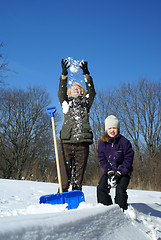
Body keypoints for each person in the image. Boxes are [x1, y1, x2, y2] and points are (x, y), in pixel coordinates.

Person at [58, 59, 96, 192]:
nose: (76, 88)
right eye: (73, 87)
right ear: (69, 92)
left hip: (83, 142)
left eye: (79, 88)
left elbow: (92, 93)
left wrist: (87, 75)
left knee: (78, 177)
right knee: (64, 175)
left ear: (82, 92)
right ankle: (62, 193)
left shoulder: (86, 103)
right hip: (66, 142)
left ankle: (76, 197)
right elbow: (61, 93)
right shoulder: (65, 103)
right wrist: (64, 75)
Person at [97, 115, 134, 211]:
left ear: (118, 129)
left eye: (114, 128)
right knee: (101, 188)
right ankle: (106, 209)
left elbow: (128, 159)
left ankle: (121, 210)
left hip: (123, 172)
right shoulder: (102, 142)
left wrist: (119, 173)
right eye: (109, 128)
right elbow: (102, 159)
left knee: (120, 190)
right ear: (106, 129)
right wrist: (109, 172)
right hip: (109, 171)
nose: (112, 130)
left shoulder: (125, 142)